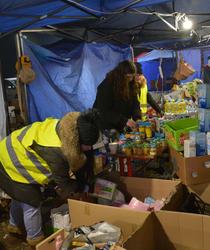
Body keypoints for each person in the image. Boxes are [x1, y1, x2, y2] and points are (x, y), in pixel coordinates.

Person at [0, 109, 101, 247]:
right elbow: (63, 184)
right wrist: (81, 187)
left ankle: (14, 226)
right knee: (31, 202)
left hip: (8, 151)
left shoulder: (67, 129)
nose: (89, 148)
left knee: (20, 196)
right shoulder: (57, 152)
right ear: (77, 141)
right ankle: (36, 239)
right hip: (11, 161)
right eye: (87, 145)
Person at [93, 60, 141, 132]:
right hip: (107, 125)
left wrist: (137, 118)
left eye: (132, 77)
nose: (130, 80)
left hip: (121, 124)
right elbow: (103, 111)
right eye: (128, 77)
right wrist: (125, 121)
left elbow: (135, 103)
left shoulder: (131, 83)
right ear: (120, 76)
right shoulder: (106, 86)